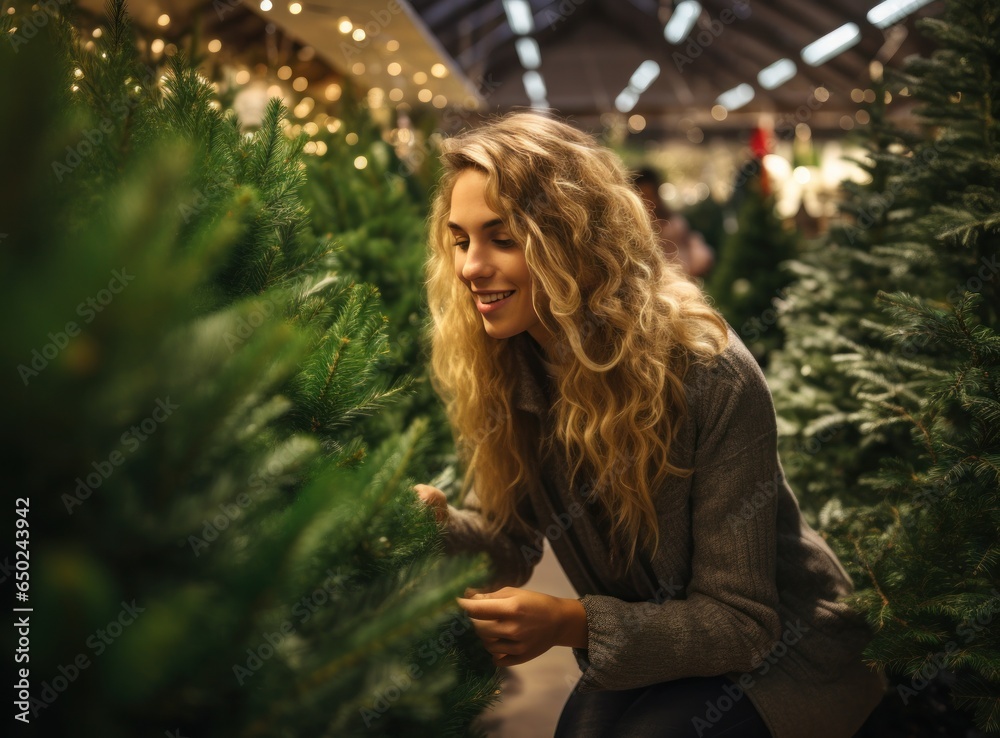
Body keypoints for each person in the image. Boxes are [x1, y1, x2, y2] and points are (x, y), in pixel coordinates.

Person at [413, 112, 886, 738]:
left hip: (787, 652)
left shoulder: (705, 373)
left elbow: (742, 622)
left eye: (502, 239)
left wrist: (569, 622)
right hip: (659, 644)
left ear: (568, 239)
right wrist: (437, 524)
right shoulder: (510, 364)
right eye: (461, 240)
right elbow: (508, 539)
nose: (472, 266)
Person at [634, 167, 715, 279]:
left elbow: (688, 243)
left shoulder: (672, 218)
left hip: (686, 274)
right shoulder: (638, 227)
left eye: (650, 195)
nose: (649, 202)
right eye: (643, 197)